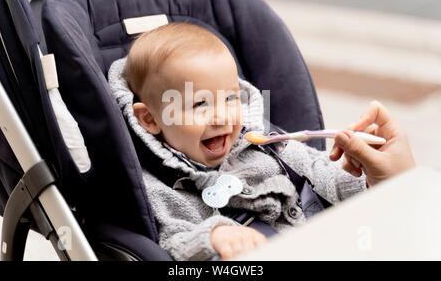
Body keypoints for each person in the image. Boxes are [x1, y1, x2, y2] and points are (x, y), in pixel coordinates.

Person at [108, 22, 414, 261]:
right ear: (150, 119)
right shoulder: (162, 186)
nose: (223, 118)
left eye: (230, 98)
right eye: (200, 104)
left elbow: (322, 172)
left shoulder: (268, 145)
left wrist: (369, 181)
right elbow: (175, 237)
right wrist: (214, 237)